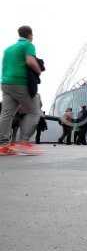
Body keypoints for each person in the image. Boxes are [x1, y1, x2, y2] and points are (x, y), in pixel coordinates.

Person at [0, 26, 43, 156]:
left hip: (5, 83)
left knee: (6, 114)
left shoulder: (8, 49)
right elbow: (30, 61)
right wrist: (38, 70)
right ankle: (23, 143)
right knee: (34, 111)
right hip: (20, 83)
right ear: (30, 35)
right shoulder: (28, 45)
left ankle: (3, 145)